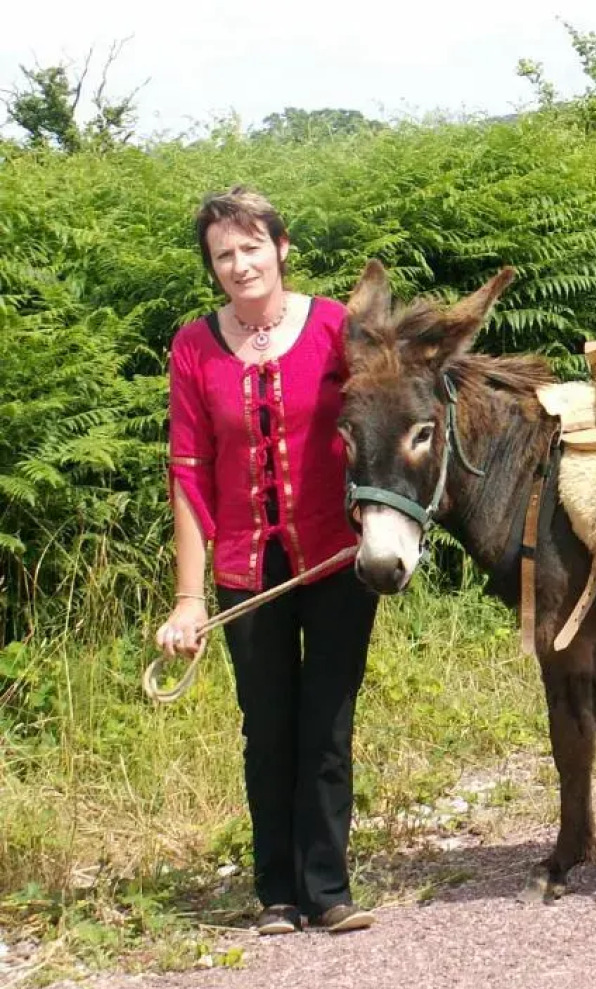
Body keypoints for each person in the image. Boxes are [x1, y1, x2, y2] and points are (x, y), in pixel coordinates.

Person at [155, 186, 379, 935]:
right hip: (246, 568)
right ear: (213, 267)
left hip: (336, 556)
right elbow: (188, 472)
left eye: (252, 247)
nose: (240, 263)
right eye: (224, 254)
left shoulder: (337, 327)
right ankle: (278, 892)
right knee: (268, 723)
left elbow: (382, 423)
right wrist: (189, 598)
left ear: (281, 247)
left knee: (327, 720)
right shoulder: (193, 347)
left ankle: (329, 888)